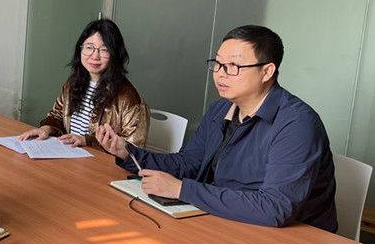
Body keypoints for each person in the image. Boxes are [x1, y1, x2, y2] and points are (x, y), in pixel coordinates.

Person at [96, 25, 337, 231]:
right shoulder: (221, 109)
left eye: (233, 66)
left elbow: (275, 208)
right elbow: (189, 163)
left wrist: (182, 190)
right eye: (218, 64)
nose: (220, 74)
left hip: (291, 241)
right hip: (228, 221)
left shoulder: (297, 124)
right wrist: (129, 154)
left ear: (267, 71)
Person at [19, 19, 150, 149]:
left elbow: (134, 148)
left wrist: (86, 141)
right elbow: (57, 114)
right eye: (89, 48)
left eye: (104, 50)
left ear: (115, 54)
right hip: (68, 154)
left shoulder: (130, 99)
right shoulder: (73, 82)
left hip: (97, 160)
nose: (95, 56)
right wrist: (46, 129)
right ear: (80, 49)